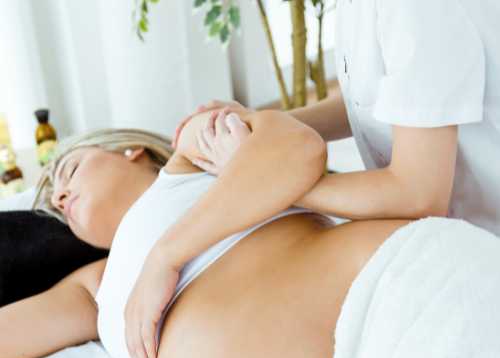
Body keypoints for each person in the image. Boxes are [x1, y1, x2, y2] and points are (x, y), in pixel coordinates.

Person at [1, 109, 499, 358]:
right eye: (52, 204)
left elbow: (298, 148)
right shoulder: (97, 287)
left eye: (69, 170)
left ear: (130, 150)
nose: (60, 196)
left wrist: (167, 258)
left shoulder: (192, 157)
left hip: (402, 304)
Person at [175, 0, 500, 238]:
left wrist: (274, 182)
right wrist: (261, 126)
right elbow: (375, 101)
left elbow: (419, 196)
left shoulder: (417, 9)